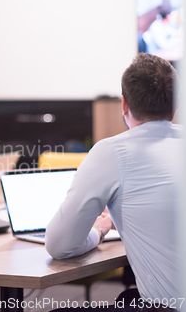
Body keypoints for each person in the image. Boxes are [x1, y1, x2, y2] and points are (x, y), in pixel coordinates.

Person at [45, 53, 180, 310]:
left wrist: (100, 230)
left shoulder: (113, 151)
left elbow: (58, 245)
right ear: (176, 104)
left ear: (124, 104)